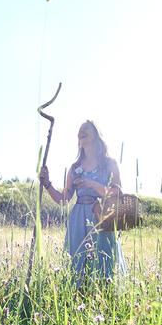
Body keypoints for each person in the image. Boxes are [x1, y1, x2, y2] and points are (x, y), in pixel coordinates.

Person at [39, 120, 126, 283]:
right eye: (79, 130)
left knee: (102, 260)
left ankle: (103, 297)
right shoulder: (75, 167)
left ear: (96, 135)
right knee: (78, 263)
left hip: (100, 216)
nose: (81, 131)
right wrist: (47, 184)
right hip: (78, 219)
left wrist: (90, 183)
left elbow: (117, 193)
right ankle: (78, 298)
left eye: (86, 128)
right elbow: (64, 199)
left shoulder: (109, 164)